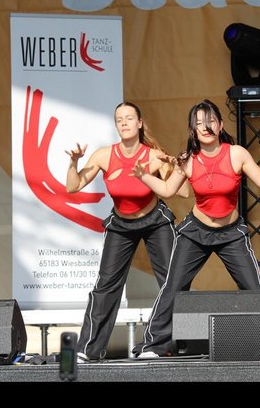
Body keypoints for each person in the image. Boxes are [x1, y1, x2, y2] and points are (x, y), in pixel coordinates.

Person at [130, 99, 260, 358]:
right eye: (199, 123)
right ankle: (154, 345)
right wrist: (144, 176)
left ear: (220, 125)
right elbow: (168, 190)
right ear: (193, 130)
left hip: (231, 233)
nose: (205, 127)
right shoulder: (187, 159)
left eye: (210, 121)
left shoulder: (236, 153)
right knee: (173, 285)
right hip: (196, 231)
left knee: (254, 287)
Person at [66, 101, 188, 361]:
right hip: (121, 224)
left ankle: (167, 345)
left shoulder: (153, 155)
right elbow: (72, 187)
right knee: (105, 286)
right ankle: (88, 349)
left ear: (140, 123)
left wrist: (174, 167)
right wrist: (73, 162)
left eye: (129, 118)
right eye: (119, 119)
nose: (124, 123)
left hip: (155, 221)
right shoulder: (103, 155)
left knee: (173, 281)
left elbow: (184, 192)